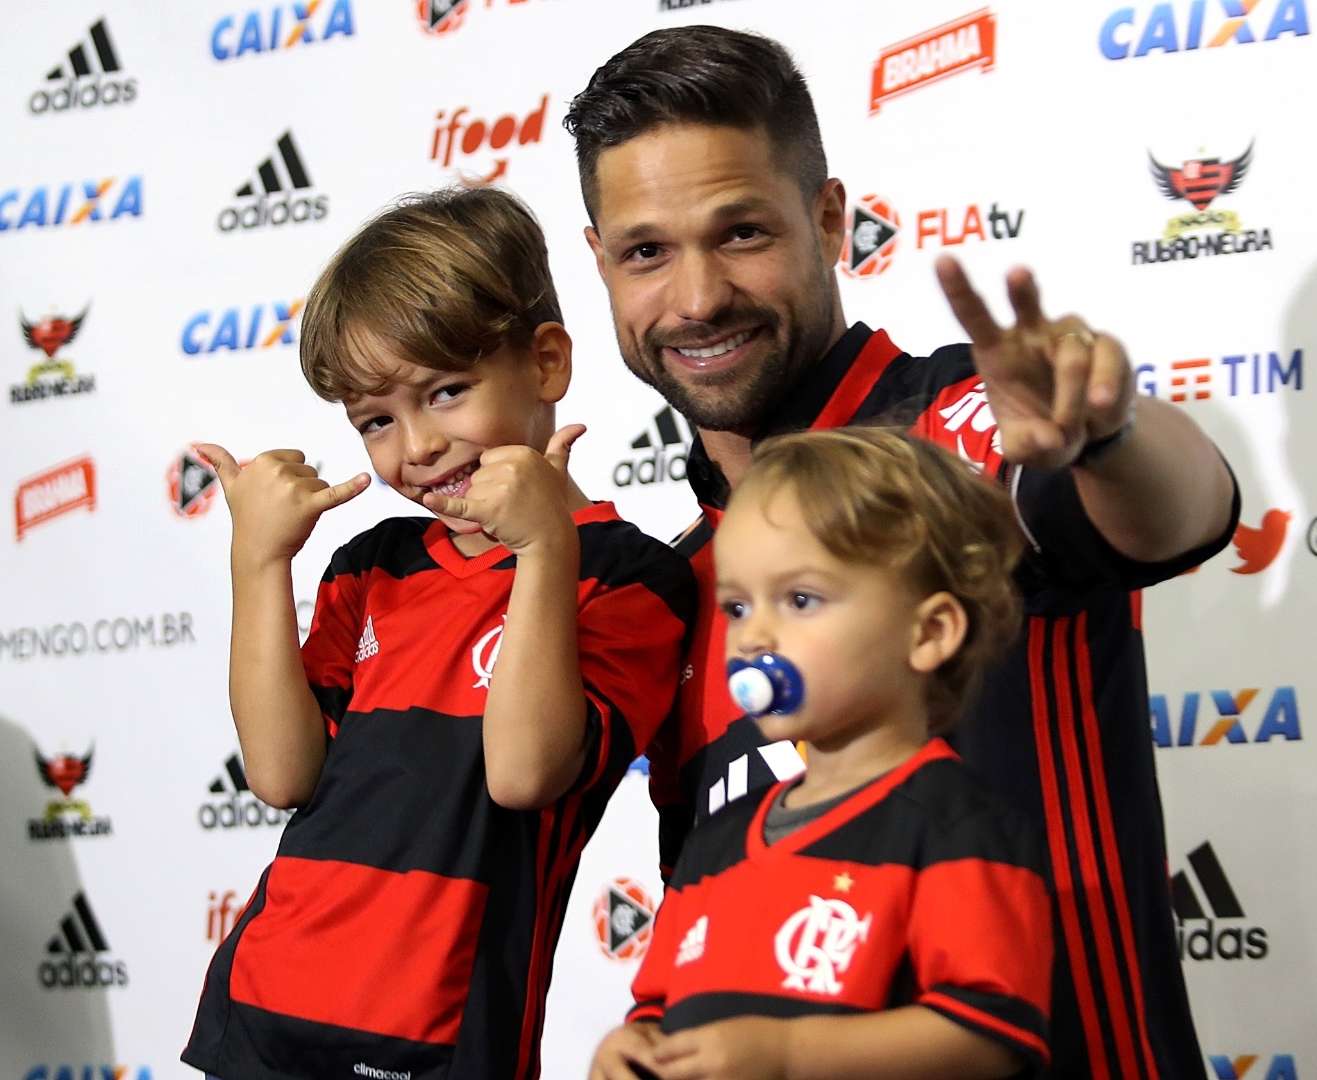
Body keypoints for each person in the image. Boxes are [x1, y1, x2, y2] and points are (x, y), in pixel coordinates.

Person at [565, 28, 1239, 1080]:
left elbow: (1180, 515)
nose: (696, 299)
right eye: (646, 252)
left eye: (741, 233)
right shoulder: (673, 584)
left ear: (830, 220)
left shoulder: (960, 429)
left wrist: (1107, 437)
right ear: (601, 262)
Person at [180, 186, 696, 1080]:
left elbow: (525, 774)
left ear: (546, 363)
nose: (415, 446)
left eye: (446, 392)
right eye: (376, 420)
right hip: (261, 1012)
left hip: (440, 1041)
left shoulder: (629, 576)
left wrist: (544, 549)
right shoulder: (371, 563)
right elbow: (281, 775)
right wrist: (259, 563)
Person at [591, 428, 1053, 1080]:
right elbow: (659, 1009)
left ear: (928, 632)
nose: (753, 635)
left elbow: (988, 1034)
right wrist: (631, 1048)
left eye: (801, 599)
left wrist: (785, 1056)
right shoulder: (714, 842)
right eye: (737, 606)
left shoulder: (959, 825)